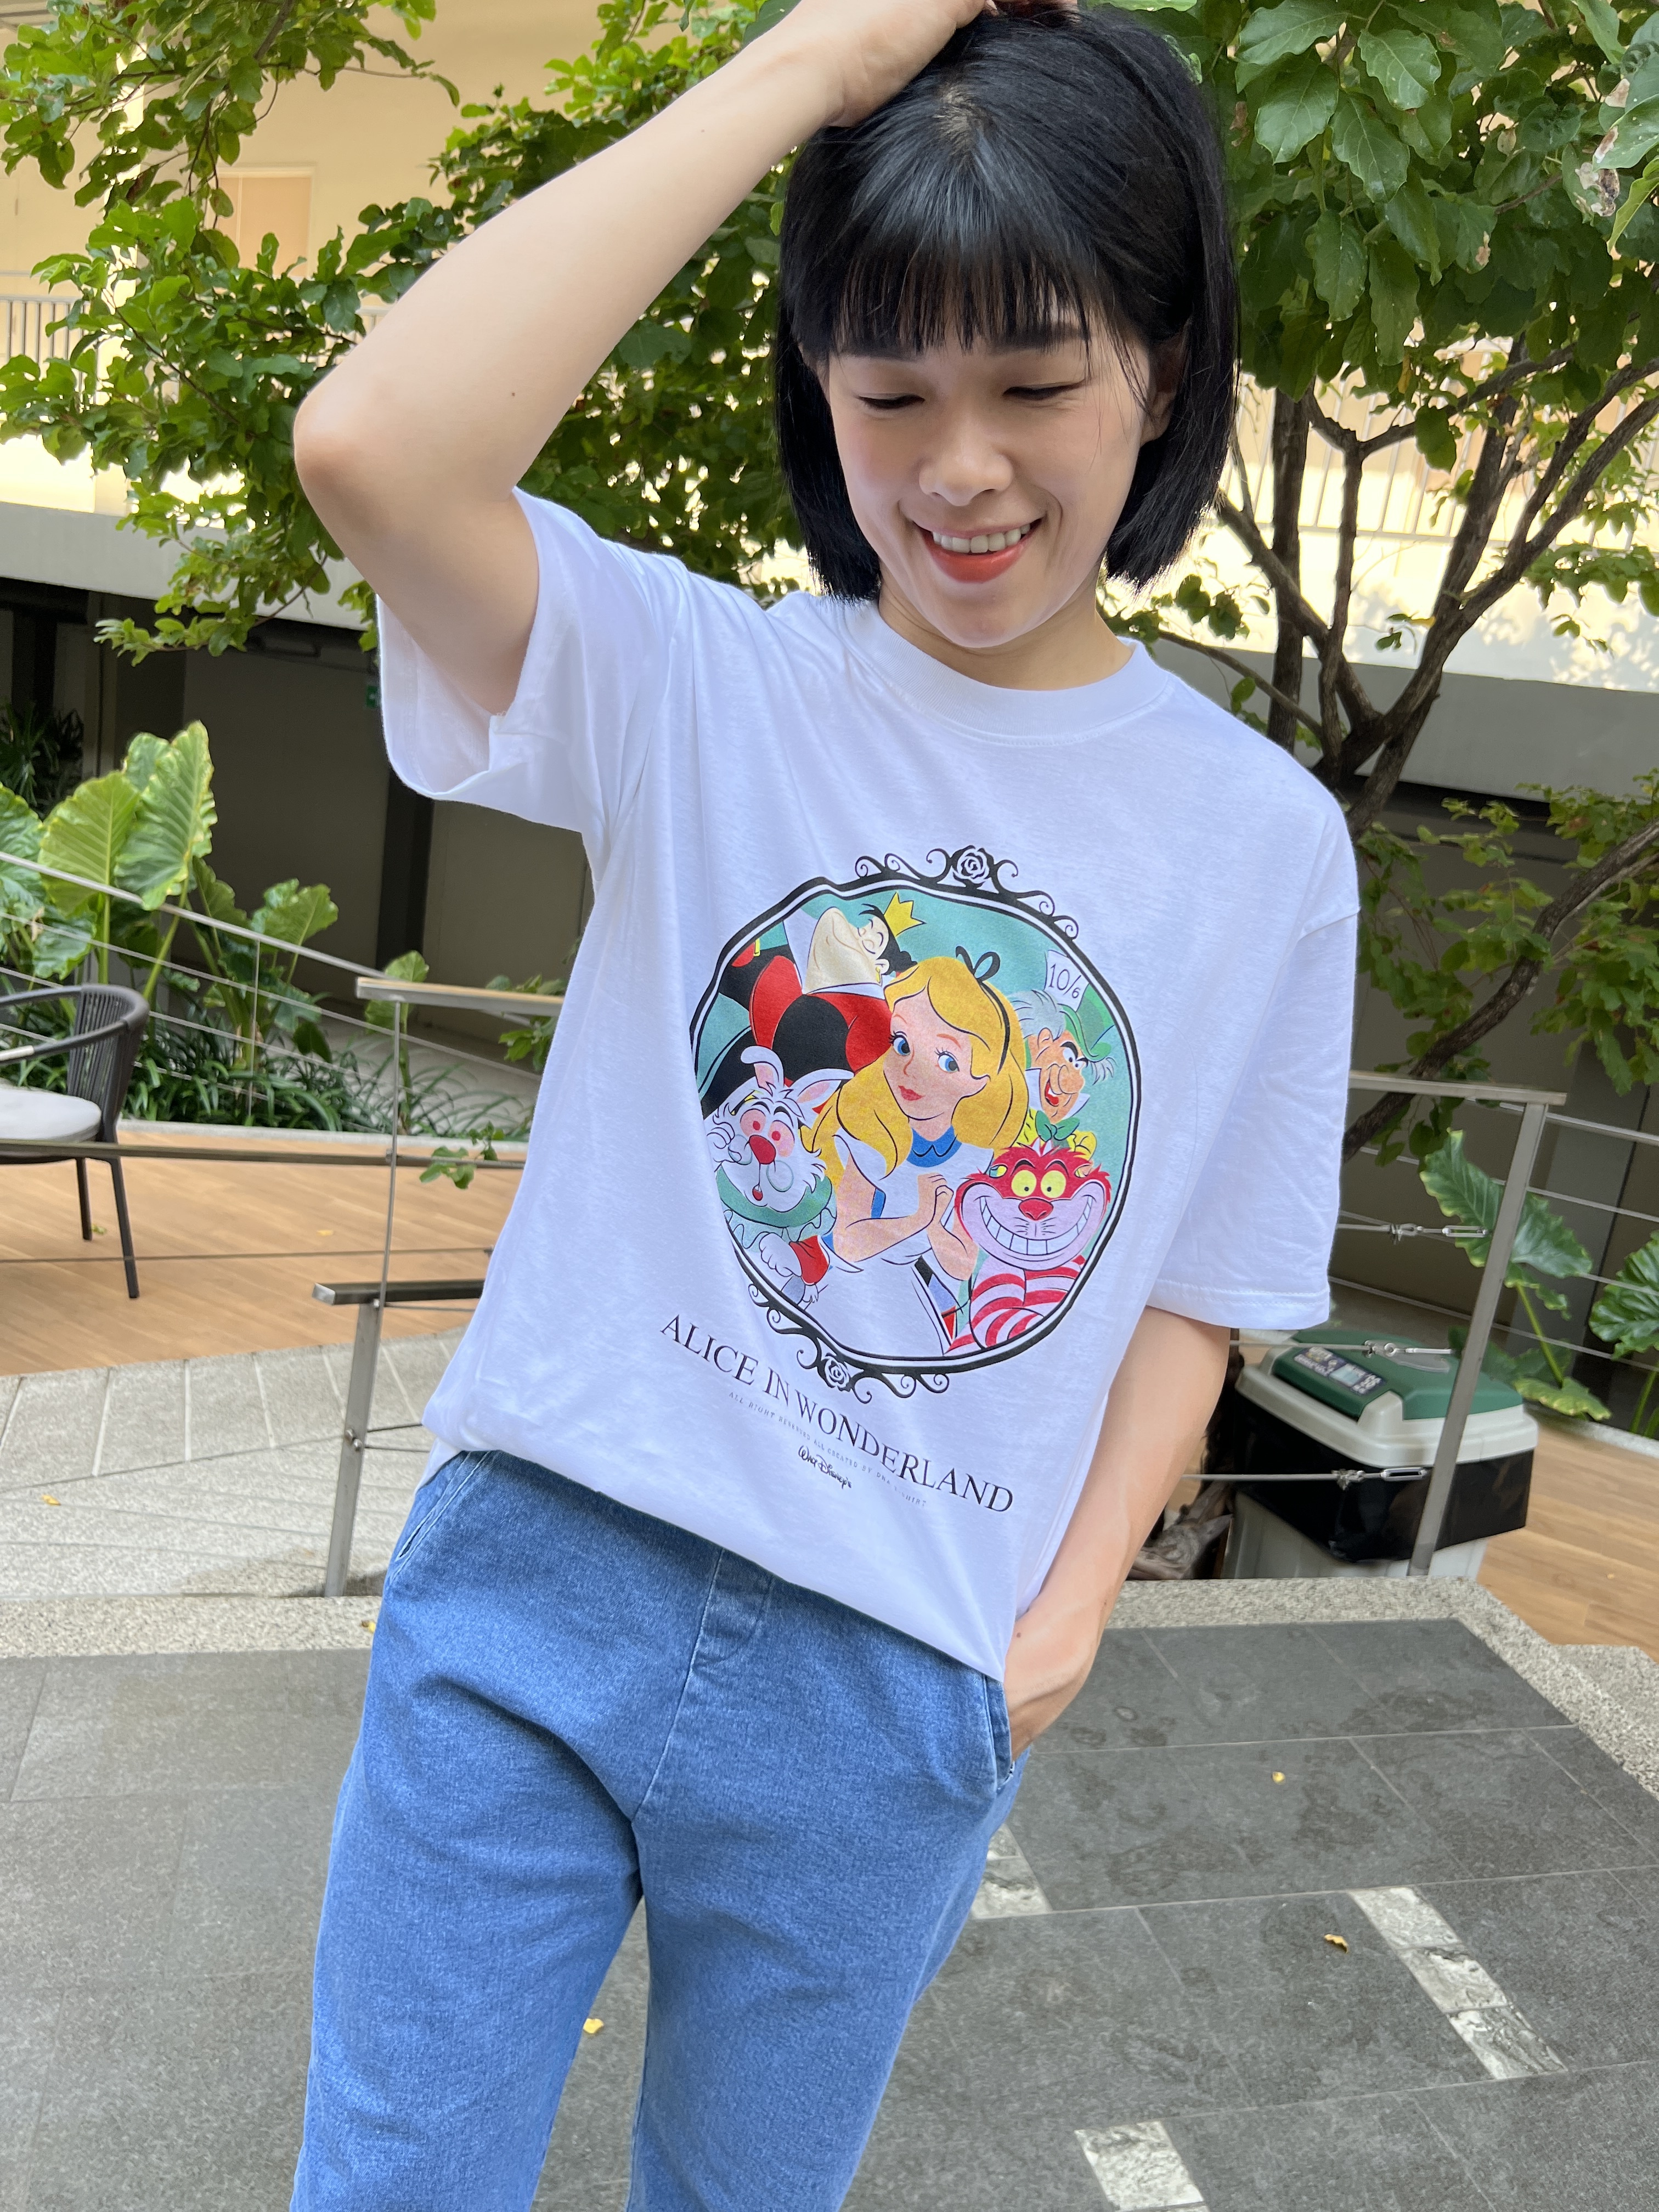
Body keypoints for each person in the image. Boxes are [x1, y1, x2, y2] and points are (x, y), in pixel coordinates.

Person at [289, 3, 1358, 2207]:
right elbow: (378, 444)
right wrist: (799, 68)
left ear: (1164, 371)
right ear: (818, 388)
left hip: (893, 1674)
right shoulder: (699, 681)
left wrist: (1064, 1616)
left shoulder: (1262, 844)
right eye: (890, 393)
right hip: (542, 1580)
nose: (961, 469)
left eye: (1036, 385)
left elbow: (1204, 1279)